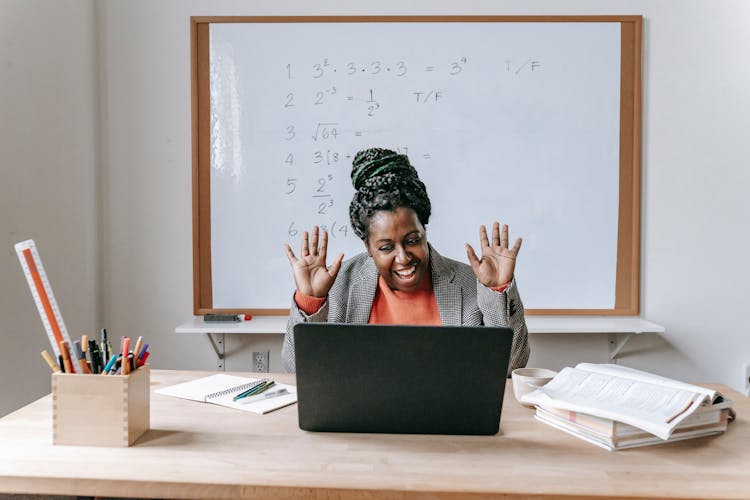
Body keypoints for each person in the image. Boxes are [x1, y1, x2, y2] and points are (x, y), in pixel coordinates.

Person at [282, 147, 529, 373]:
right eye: (386, 247)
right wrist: (311, 303)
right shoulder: (337, 285)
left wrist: (497, 291)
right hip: (361, 419)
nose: (403, 258)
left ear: (424, 230)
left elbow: (510, 368)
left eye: (412, 241)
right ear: (368, 246)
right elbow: (296, 371)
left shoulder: (470, 283)